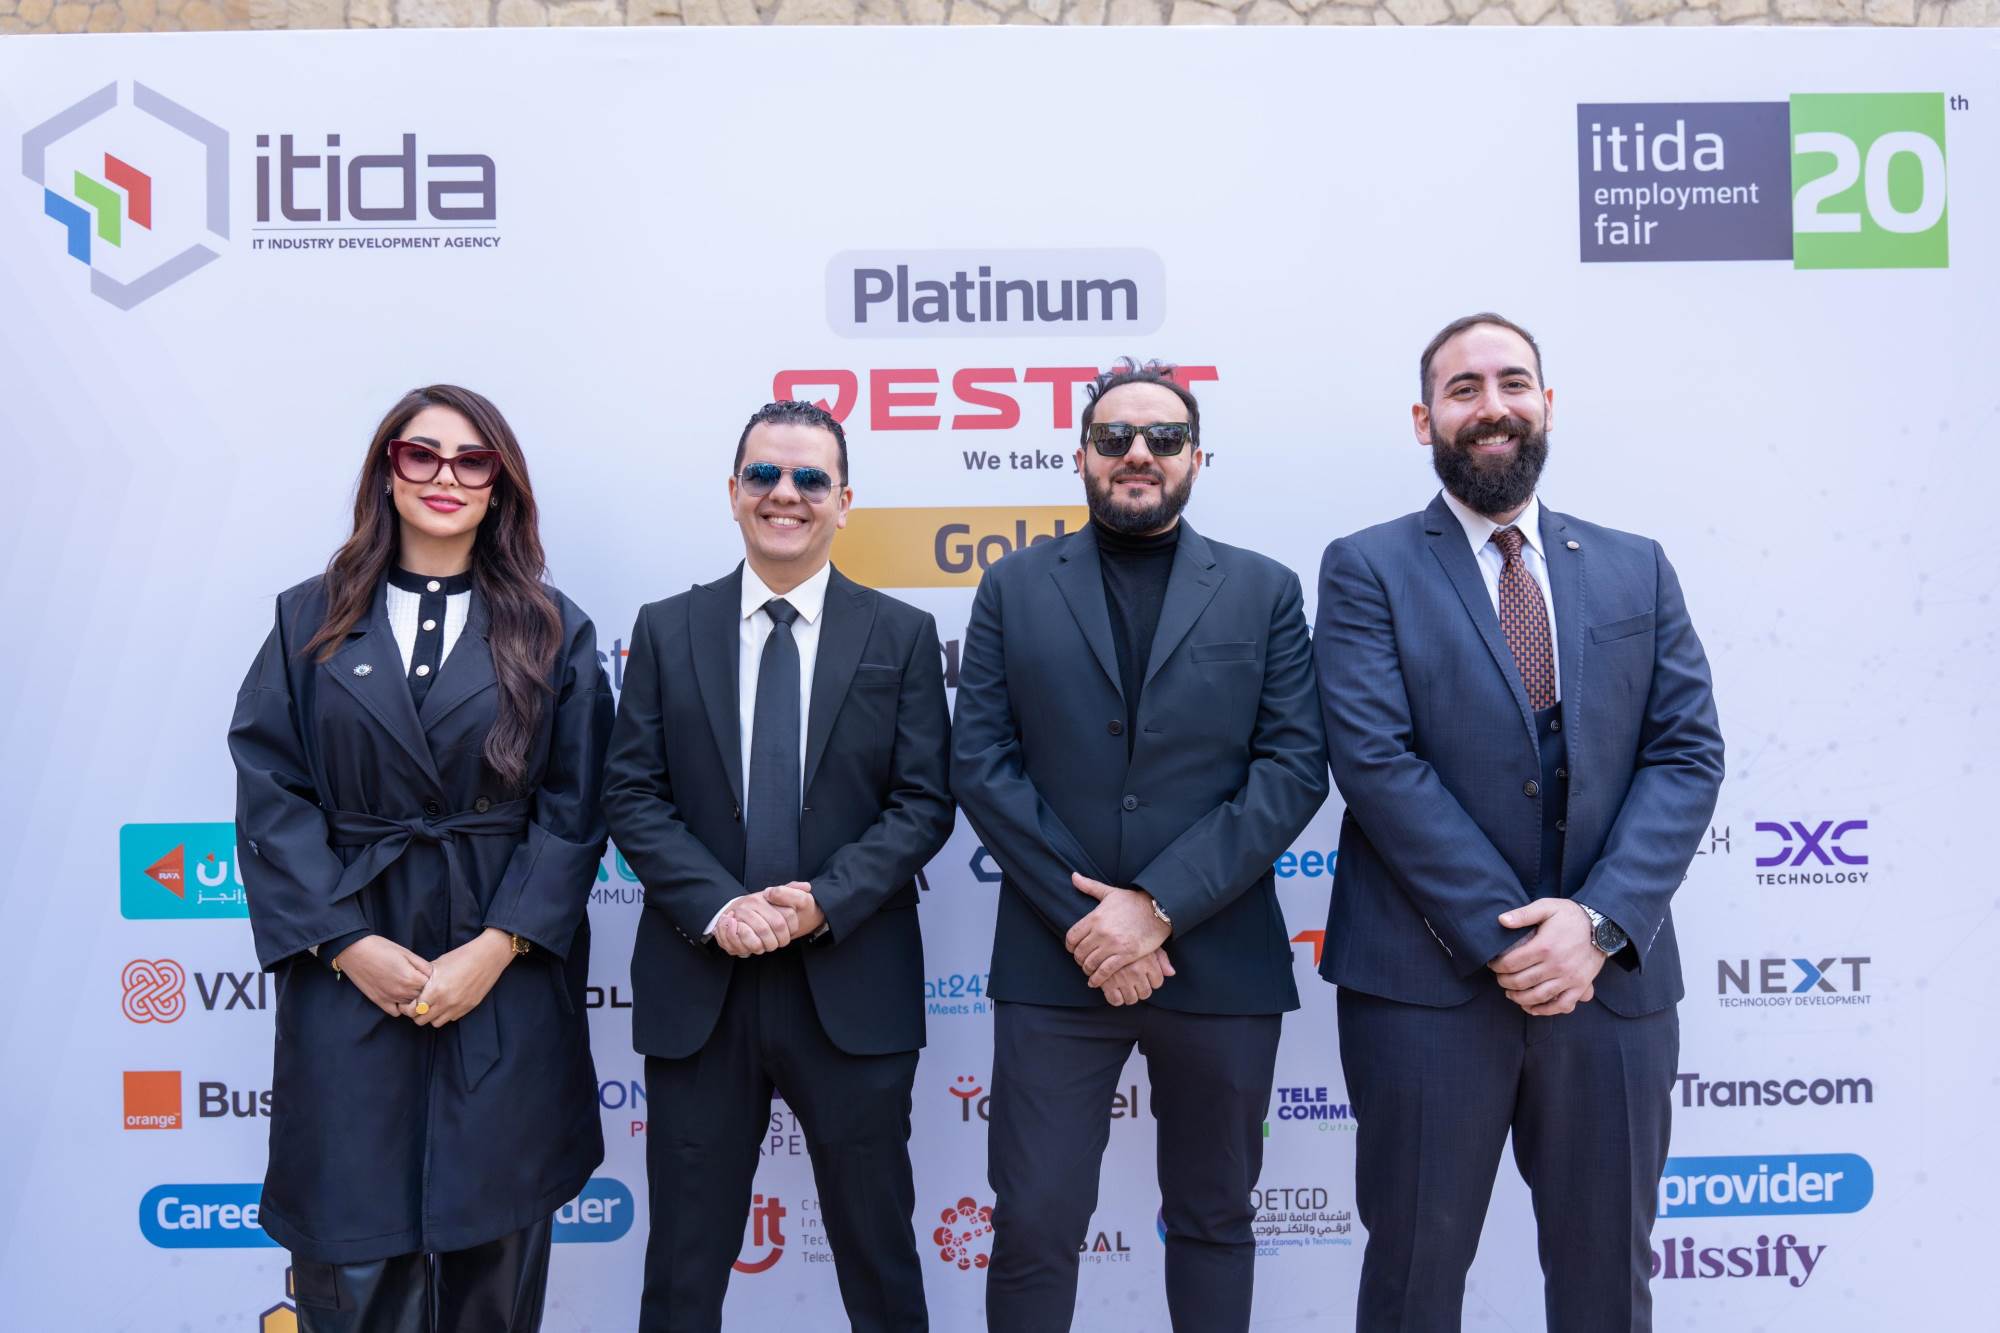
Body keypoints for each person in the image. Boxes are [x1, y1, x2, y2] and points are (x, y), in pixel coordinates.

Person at [1315, 313, 1725, 1332]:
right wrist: (1514, 937)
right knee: (1412, 1283)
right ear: (1425, 420)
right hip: (1423, 987)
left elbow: (1686, 753)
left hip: (1609, 988)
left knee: (1606, 1288)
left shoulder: (1636, 566)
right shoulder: (1366, 567)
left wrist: (1594, 923)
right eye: (1463, 389)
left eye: (1512, 382)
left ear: (1546, 403)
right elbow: (1374, 763)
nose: (1490, 406)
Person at [951, 359, 1328, 1333]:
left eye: (1163, 437)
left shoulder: (1264, 589)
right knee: (1033, 1223)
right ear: (1081, 455)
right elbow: (981, 764)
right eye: (1114, 436)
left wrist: (1156, 906)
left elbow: (1292, 769)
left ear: (1197, 457)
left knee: (1214, 1218)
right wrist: (1095, 923)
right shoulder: (1013, 586)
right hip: (1056, 960)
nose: (1137, 454)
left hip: (1222, 958)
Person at [228, 384, 612, 1332]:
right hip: (350, 975)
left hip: (503, 981)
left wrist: (497, 946)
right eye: (422, 454)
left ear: (500, 485)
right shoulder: (307, 619)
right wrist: (345, 943)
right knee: (354, 1268)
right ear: (387, 470)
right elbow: (271, 791)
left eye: (473, 460)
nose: (447, 476)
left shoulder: (553, 628)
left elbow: (576, 807)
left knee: (493, 1274)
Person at [604, 400, 954, 1333]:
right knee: (682, 1271)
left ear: (845, 500)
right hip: (701, 988)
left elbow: (924, 802)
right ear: (733, 492)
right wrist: (721, 908)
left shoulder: (901, 633)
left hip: (852, 984)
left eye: (809, 478)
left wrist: (822, 902)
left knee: (880, 1260)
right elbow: (631, 794)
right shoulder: (667, 628)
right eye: (763, 474)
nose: (784, 494)